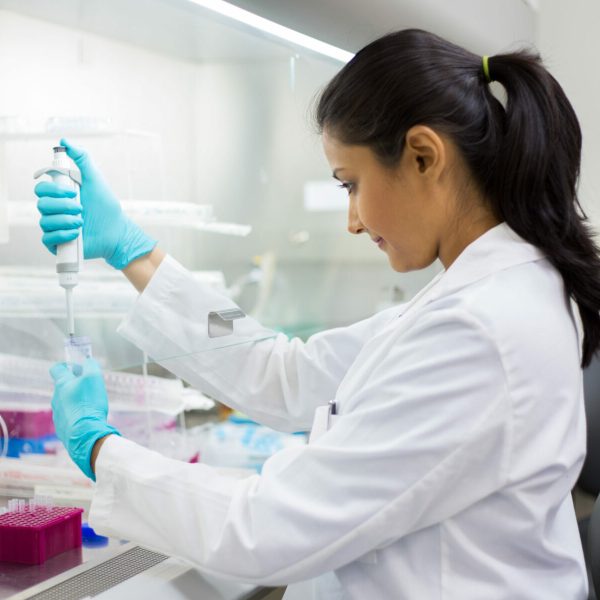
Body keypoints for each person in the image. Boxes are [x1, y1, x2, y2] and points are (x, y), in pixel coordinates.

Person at [34, 29, 600, 599]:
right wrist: (136, 253)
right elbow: (287, 370)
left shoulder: (480, 329)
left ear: (425, 156)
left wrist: (100, 448)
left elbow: (267, 529)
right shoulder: (482, 295)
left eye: (351, 184)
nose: (352, 221)